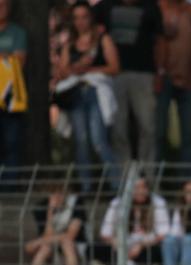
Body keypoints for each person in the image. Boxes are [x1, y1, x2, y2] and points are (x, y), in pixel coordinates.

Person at [57, 1, 121, 193]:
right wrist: (75, 69)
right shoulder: (70, 44)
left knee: (98, 140)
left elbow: (114, 67)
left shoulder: (102, 39)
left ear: (90, 18)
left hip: (95, 92)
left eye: (84, 17)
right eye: (76, 18)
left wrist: (89, 68)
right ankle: (86, 188)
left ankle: (115, 185)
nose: (80, 22)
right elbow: (63, 71)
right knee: (81, 141)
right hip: (76, 94)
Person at [93, 0, 163, 164]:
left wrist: (160, 72)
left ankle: (148, 178)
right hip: (113, 76)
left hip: (144, 73)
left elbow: (160, 41)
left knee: (148, 126)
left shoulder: (150, 6)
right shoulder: (104, 7)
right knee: (118, 129)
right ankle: (124, 181)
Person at [157, 0, 191, 162]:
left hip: (187, 78)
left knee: (189, 132)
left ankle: (188, 178)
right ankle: (157, 175)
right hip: (163, 78)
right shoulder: (157, 9)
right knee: (159, 131)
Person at [23, 185, 85, 265]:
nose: (57, 196)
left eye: (60, 191)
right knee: (44, 249)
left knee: (66, 244)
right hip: (52, 249)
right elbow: (47, 234)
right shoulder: (41, 207)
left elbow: (70, 235)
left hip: (75, 248)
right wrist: (51, 211)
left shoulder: (76, 203)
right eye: (53, 192)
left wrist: (38, 242)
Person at [99, 175, 170, 265]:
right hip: (121, 245)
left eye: (144, 187)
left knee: (157, 252)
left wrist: (141, 245)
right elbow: (105, 233)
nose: (140, 191)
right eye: (136, 188)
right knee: (93, 250)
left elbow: (163, 234)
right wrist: (117, 245)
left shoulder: (158, 203)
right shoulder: (117, 203)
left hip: (147, 245)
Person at [0, 0, 27, 172]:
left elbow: (18, 62)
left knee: (11, 142)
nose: (1, 8)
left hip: (11, 95)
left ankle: (11, 191)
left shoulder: (17, 33)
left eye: (4, 5)